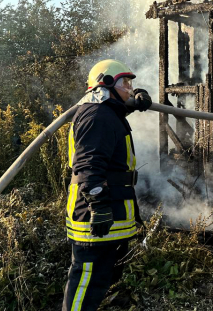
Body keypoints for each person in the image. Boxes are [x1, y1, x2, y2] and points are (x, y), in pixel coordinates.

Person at [62, 59, 152, 311]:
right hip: (96, 215)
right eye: (126, 83)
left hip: (110, 215)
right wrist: (99, 206)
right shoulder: (97, 115)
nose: (129, 89)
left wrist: (138, 98)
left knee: (100, 281)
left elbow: (117, 110)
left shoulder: (106, 112)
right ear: (107, 83)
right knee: (86, 285)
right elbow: (88, 166)